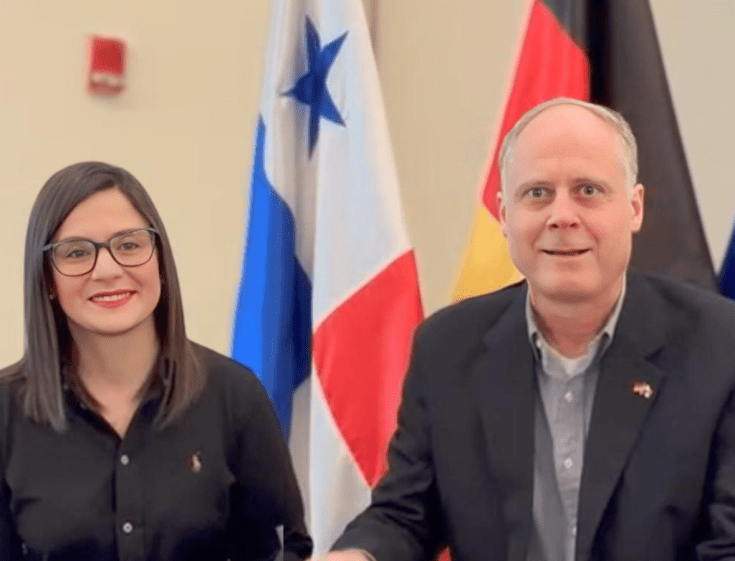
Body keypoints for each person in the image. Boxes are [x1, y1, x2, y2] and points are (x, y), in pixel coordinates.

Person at [320, 98, 735, 561]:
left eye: (588, 190)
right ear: (503, 214)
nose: (561, 216)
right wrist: (359, 556)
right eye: (537, 193)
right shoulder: (447, 348)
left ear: (634, 208)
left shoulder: (720, 346)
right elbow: (404, 516)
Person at [0, 162, 313, 561]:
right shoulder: (6, 411)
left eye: (129, 245)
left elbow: (284, 549)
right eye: (77, 252)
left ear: (159, 260)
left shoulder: (234, 395)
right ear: (47, 279)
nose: (108, 270)